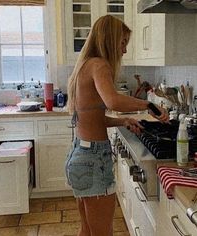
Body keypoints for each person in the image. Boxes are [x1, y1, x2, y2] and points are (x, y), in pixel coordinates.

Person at [65, 15, 169, 236]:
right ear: (110, 40)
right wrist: (149, 104)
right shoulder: (99, 65)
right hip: (93, 161)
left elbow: (94, 117)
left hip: (79, 156)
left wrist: (122, 120)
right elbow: (113, 101)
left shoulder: (84, 65)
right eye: (122, 43)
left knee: (87, 230)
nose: (123, 50)